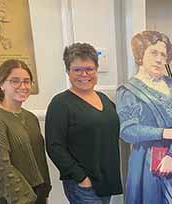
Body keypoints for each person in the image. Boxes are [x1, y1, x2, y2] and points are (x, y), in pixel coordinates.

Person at [116, 30, 172, 204]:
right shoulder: (128, 91)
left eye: (163, 55)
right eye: (153, 52)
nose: (159, 59)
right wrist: (166, 133)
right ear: (140, 54)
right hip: (144, 163)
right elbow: (127, 130)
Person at [45, 42, 122, 204]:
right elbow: (54, 146)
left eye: (89, 69)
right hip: (82, 184)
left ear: (96, 69)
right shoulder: (61, 103)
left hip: (106, 181)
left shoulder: (105, 100)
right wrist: (81, 178)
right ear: (67, 71)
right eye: (77, 70)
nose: (84, 74)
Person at [0, 59, 51, 204]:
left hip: (38, 194)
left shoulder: (31, 117)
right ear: (2, 84)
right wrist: (24, 199)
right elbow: (0, 167)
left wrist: (44, 193)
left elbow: (39, 159)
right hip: (14, 198)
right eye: (15, 81)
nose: (23, 86)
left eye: (27, 81)